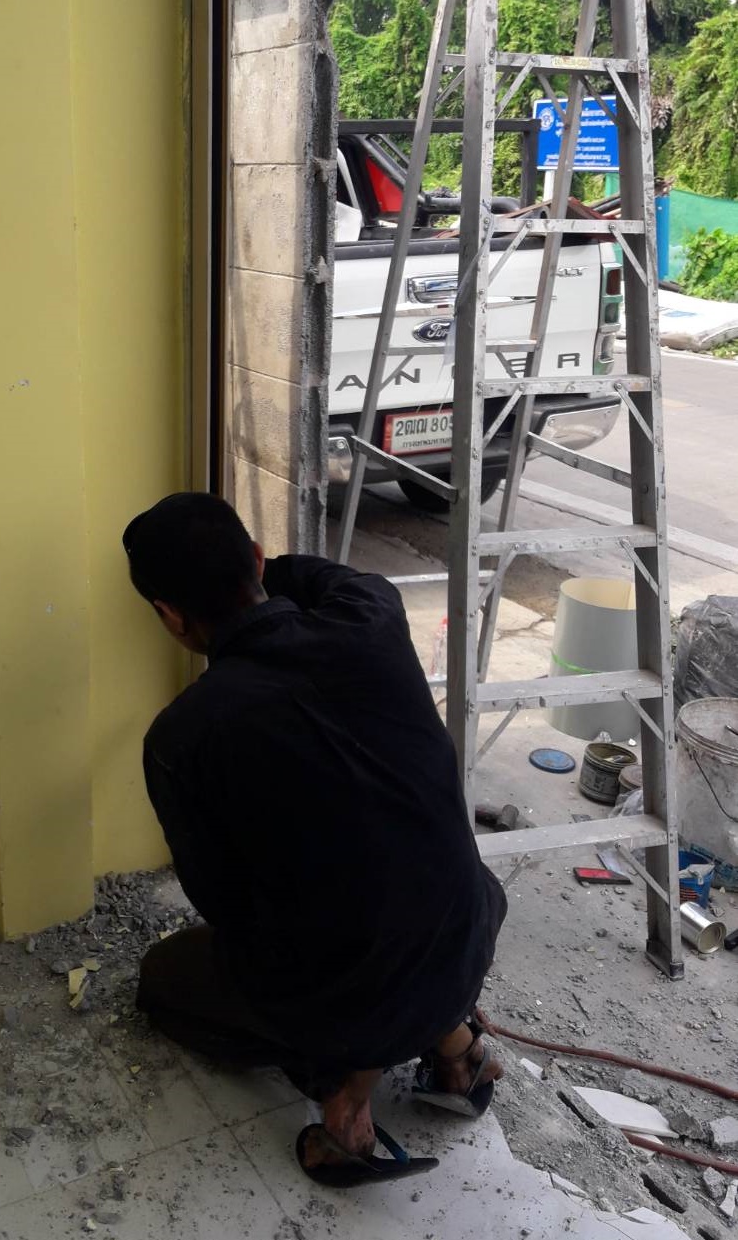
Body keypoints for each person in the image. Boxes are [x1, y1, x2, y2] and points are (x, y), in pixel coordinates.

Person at [121, 492, 507, 1187]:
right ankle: (455, 1043)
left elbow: (227, 908)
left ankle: (346, 1100)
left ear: (170, 616)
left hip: (353, 993)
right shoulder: (372, 611)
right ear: (257, 560)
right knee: (402, 895)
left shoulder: (182, 737)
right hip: (468, 929)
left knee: (164, 980)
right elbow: (316, 575)